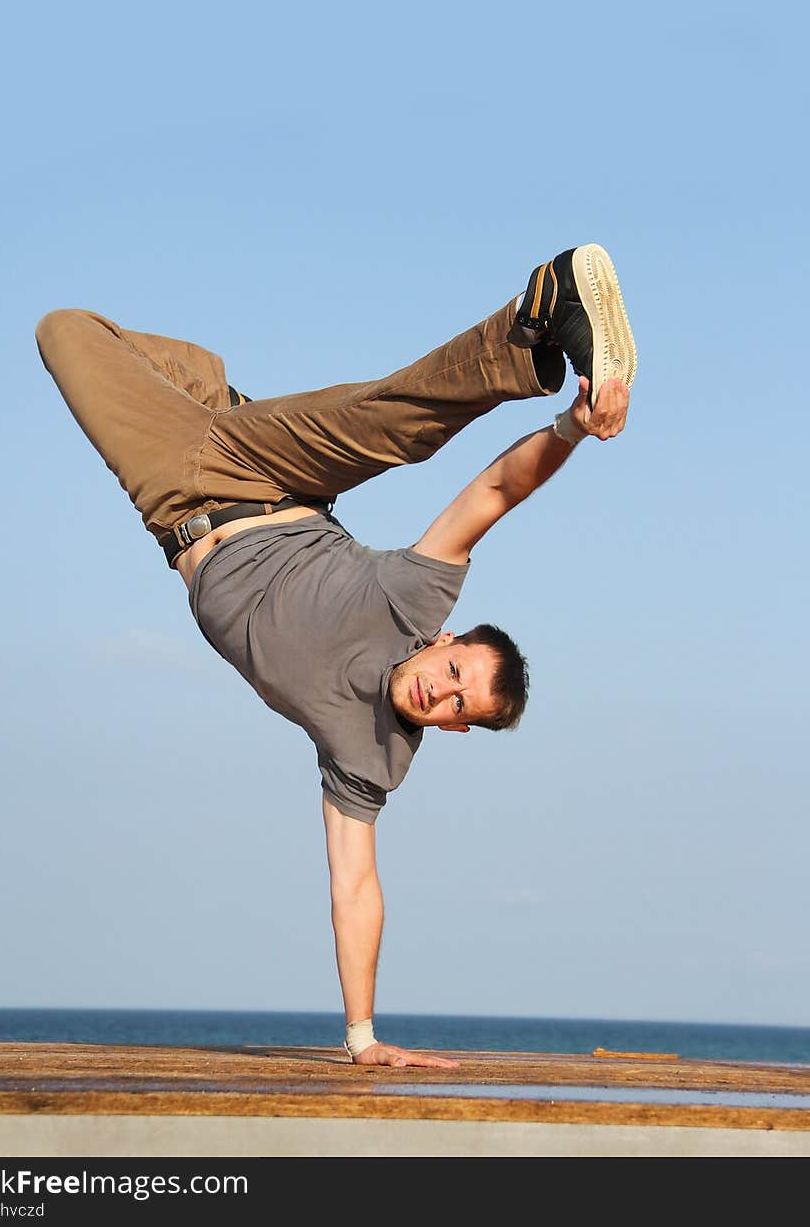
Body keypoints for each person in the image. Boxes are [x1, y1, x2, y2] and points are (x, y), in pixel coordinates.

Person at [36, 242, 636, 1069]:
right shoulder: (414, 603)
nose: (443, 694)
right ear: (446, 646)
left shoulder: (372, 756)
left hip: (175, 491)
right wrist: (573, 426)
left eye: (460, 707)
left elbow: (356, 886)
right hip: (272, 476)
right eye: (454, 674)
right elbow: (494, 494)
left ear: (456, 732)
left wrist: (363, 1039)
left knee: (63, 331)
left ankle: (214, 396)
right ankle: (537, 315)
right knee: (385, 424)